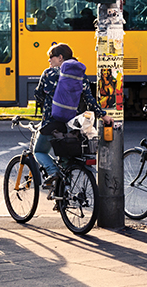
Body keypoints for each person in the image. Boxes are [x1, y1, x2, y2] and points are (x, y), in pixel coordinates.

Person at [34, 43, 113, 185]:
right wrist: (103, 115)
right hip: (72, 125)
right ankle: (65, 196)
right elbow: (90, 99)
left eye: (51, 57)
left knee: (39, 151)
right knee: (66, 160)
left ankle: (52, 171)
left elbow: (38, 95)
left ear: (60, 57)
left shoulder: (49, 73)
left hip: (51, 123)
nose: (49, 61)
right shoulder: (79, 76)